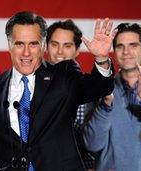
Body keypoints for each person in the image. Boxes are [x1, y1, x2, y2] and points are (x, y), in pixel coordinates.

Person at [0, 11, 116, 171]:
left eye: (33, 44)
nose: (26, 52)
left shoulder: (63, 75)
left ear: (43, 46)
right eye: (19, 44)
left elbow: (98, 87)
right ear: (9, 45)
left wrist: (101, 59)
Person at [84, 23, 141, 171]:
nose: (126, 51)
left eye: (133, 45)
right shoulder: (100, 91)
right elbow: (92, 145)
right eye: (120, 46)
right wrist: (105, 105)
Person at [46, 19, 95, 170]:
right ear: (46, 47)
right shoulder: (29, 86)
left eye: (67, 46)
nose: (60, 51)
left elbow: (98, 142)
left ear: (77, 50)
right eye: (55, 45)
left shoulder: (91, 89)